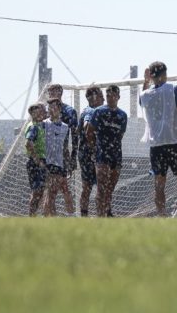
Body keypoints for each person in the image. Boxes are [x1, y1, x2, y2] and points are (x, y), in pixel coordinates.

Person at [139, 61, 177, 217]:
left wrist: (145, 82)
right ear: (165, 74)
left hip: (156, 146)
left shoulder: (145, 94)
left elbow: (141, 100)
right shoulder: (173, 89)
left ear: (151, 76)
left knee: (159, 184)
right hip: (174, 143)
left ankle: (162, 215)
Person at [86, 85, 127, 217]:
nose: (111, 98)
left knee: (110, 189)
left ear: (118, 97)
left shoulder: (122, 115)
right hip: (102, 154)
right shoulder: (99, 111)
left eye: (113, 96)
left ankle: (107, 212)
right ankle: (100, 215)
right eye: (108, 95)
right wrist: (94, 149)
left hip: (116, 155)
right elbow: (89, 132)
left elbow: (120, 135)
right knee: (101, 188)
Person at [43, 98, 74, 216]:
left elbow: (65, 148)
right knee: (50, 193)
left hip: (60, 164)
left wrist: (69, 165)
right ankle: (48, 219)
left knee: (65, 191)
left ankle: (71, 215)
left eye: (54, 107)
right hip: (48, 164)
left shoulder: (65, 127)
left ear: (59, 109)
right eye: (49, 107)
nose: (52, 110)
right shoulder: (44, 124)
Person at [77, 86, 104, 217]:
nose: (104, 98)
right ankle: (93, 215)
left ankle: (91, 215)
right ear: (92, 98)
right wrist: (93, 149)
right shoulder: (90, 111)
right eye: (101, 96)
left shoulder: (91, 111)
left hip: (87, 153)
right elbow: (86, 126)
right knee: (91, 187)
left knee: (92, 187)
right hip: (89, 154)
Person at [24, 103, 47, 217]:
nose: (44, 112)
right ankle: (31, 216)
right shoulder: (33, 126)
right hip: (36, 163)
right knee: (37, 191)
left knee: (41, 191)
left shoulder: (41, 125)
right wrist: (37, 160)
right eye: (41, 111)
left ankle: (38, 216)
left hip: (42, 161)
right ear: (34, 113)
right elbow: (28, 143)